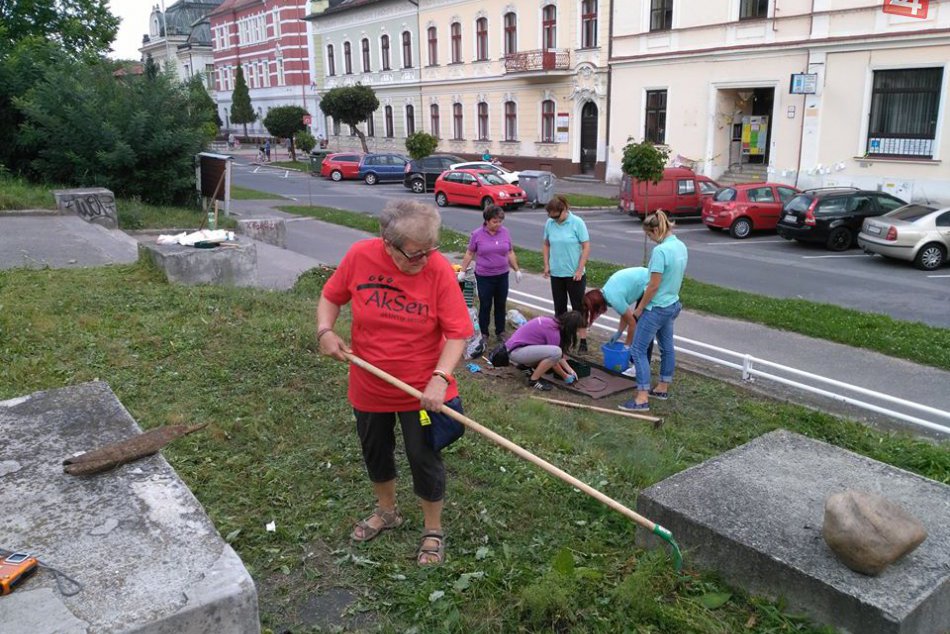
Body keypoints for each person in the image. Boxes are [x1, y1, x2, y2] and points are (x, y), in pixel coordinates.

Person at [316, 200, 473, 566]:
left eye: (430, 250)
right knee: (375, 448)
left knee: (423, 455)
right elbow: (331, 297)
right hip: (370, 383)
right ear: (386, 241)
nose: (424, 260)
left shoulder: (437, 269)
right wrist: (325, 330)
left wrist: (440, 378)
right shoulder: (360, 256)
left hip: (422, 390)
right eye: (414, 254)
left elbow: (457, 334)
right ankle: (387, 511)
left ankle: (433, 529)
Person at [619, 210, 687, 412]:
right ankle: (662, 387)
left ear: (656, 230)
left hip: (656, 308)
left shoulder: (660, 251)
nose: (650, 239)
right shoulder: (680, 246)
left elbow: (653, 286)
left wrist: (639, 309)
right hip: (672, 304)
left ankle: (641, 398)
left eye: (649, 235)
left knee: (638, 350)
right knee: (667, 347)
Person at [458, 205, 522, 344]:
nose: (498, 224)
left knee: (500, 303)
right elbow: (470, 253)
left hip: (502, 275)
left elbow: (510, 252)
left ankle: (500, 331)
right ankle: (484, 333)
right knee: (485, 304)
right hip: (484, 276)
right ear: (487, 221)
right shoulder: (477, 234)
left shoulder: (505, 232)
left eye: (500, 221)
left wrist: (516, 269)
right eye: (495, 221)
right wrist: (462, 270)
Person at [542, 194, 591, 351]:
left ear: (564, 210)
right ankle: (562, 340)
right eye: (551, 217)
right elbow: (546, 244)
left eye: (556, 217)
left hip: (574, 274)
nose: (554, 220)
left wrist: (579, 269)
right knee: (559, 308)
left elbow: (586, 247)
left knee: (579, 308)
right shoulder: (550, 223)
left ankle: (582, 341)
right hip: (557, 273)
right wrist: (546, 264)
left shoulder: (577, 223)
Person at [504, 311, 586, 391]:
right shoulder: (554, 332)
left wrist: (570, 370)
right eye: (576, 330)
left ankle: (524, 366)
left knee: (554, 352)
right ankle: (533, 381)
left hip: (513, 348)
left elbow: (559, 357)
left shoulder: (551, 322)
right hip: (516, 352)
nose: (576, 333)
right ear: (571, 328)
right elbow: (555, 360)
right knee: (555, 352)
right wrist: (565, 376)